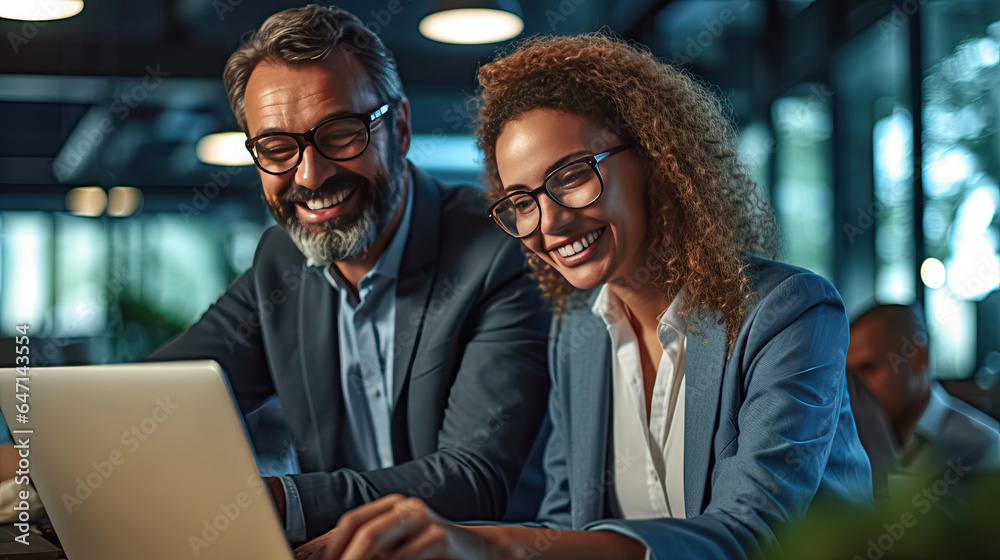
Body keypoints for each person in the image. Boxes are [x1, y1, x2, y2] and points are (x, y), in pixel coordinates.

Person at [294, 33, 873, 560]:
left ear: (653, 158)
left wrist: (491, 544)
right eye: (521, 201)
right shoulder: (577, 328)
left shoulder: (787, 312)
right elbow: (563, 523)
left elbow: (750, 536)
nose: (549, 223)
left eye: (570, 176)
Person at [148, 5, 550, 543]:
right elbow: (161, 397)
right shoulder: (283, 259)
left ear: (400, 128)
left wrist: (274, 500)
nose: (310, 175)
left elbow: (473, 480)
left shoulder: (499, 253)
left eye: (340, 133)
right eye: (276, 148)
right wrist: (41, 458)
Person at [846, 304, 1000, 506]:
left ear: (918, 360)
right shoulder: (851, 440)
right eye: (849, 377)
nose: (855, 389)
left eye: (868, 368)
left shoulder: (983, 447)